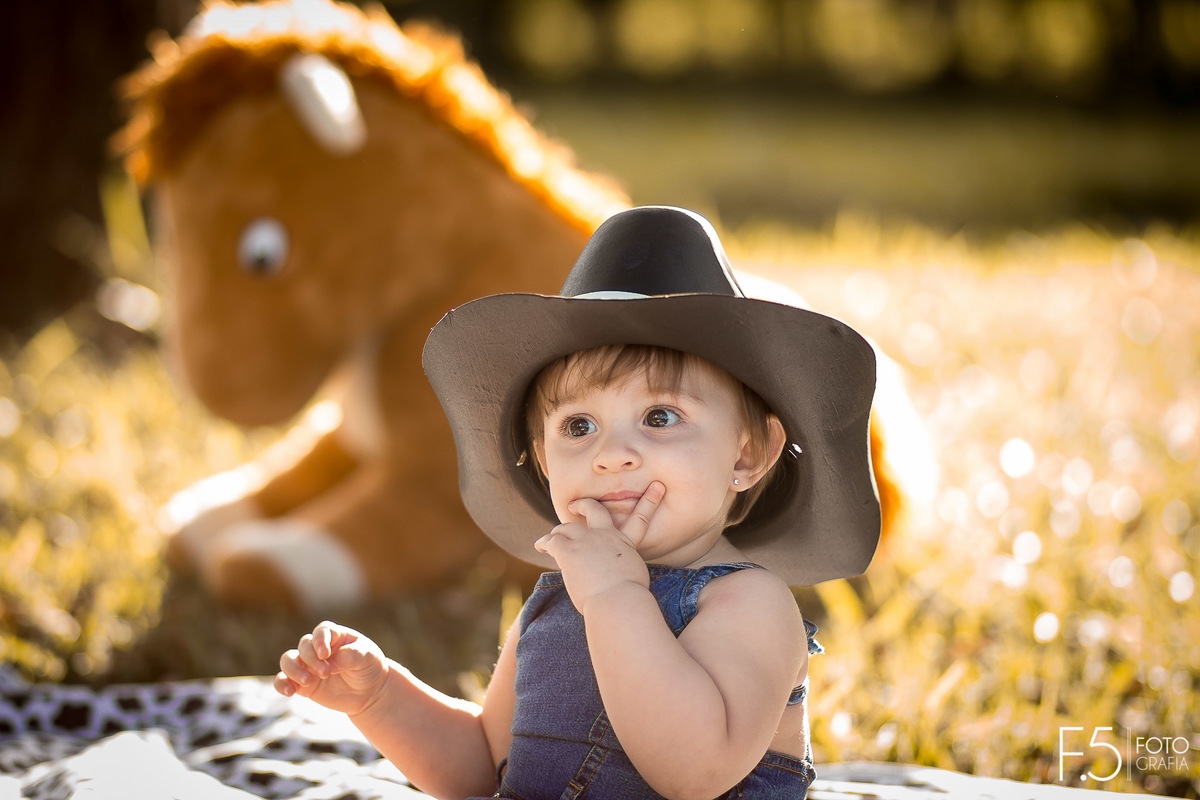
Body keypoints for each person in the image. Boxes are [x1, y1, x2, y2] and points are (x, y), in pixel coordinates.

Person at [274, 206, 881, 800]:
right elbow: (485, 772)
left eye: (660, 417)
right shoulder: (559, 596)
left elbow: (693, 774)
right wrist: (381, 698)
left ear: (747, 455)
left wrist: (617, 598)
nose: (611, 454)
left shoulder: (748, 603)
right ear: (541, 459)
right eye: (578, 427)